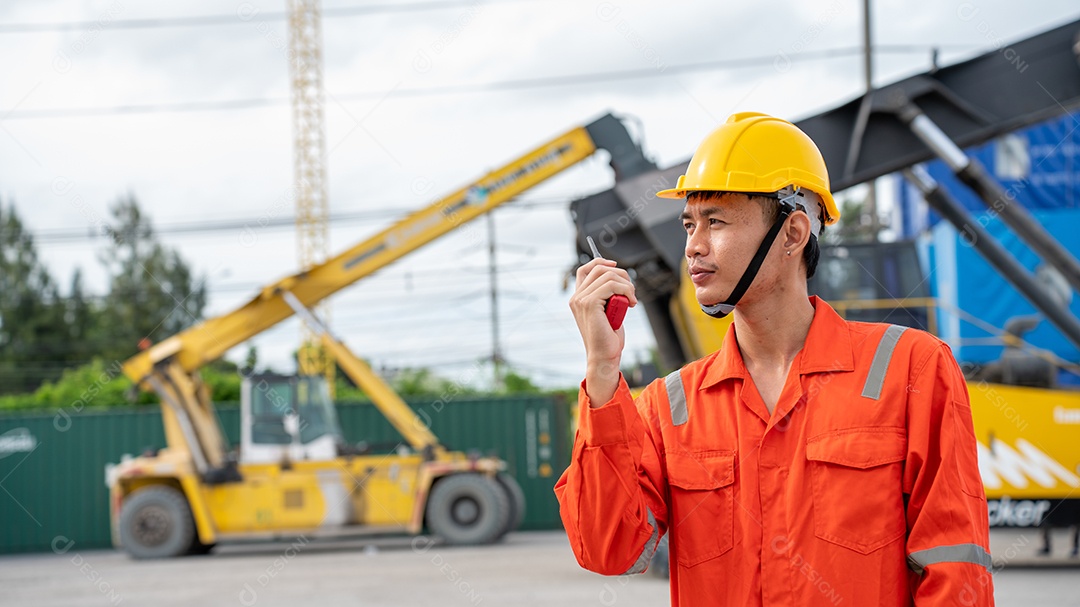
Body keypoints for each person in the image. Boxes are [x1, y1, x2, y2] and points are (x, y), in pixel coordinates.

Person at [555, 112, 994, 606]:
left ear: (792, 233)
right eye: (688, 224)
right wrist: (601, 371)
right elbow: (606, 549)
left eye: (715, 221)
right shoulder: (669, 407)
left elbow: (956, 568)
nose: (693, 247)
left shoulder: (909, 369)